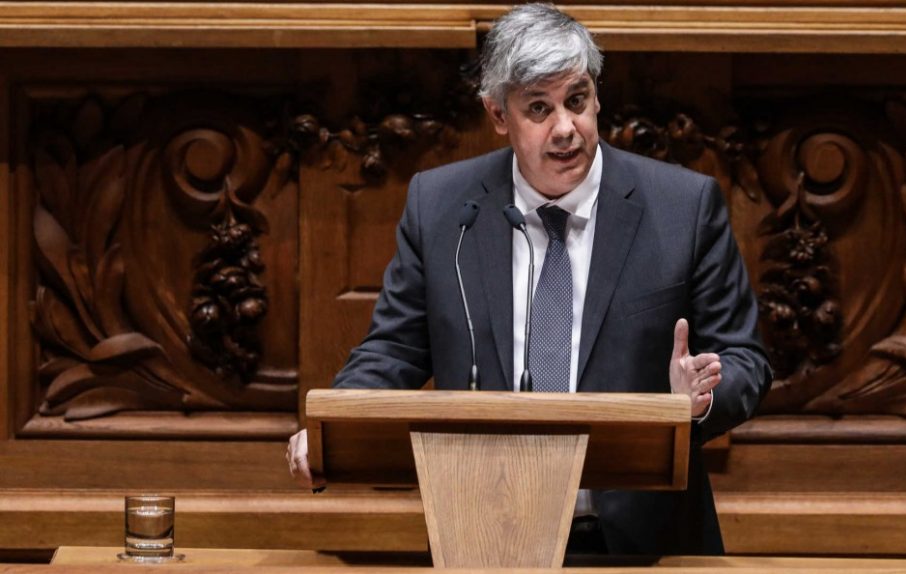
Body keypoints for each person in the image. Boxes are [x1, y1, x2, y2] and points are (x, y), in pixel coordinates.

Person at [287, 2, 772, 555]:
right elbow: (394, 349)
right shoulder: (444, 208)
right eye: (539, 108)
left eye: (577, 100)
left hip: (646, 544)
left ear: (597, 96)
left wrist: (698, 399)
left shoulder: (682, 206)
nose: (565, 129)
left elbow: (745, 360)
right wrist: (333, 428)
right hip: (486, 536)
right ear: (498, 114)